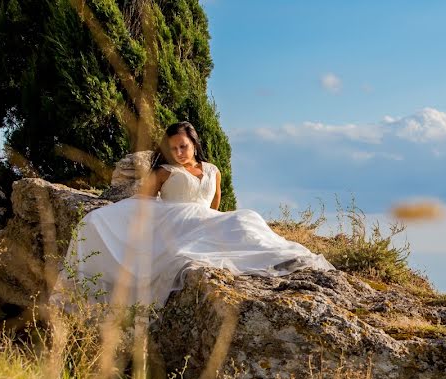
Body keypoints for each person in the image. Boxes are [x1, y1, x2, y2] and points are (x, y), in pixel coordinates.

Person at [57, 121, 334, 308]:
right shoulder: (164, 172)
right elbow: (141, 204)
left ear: (194, 143)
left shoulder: (213, 170)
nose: (178, 152)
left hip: (203, 221)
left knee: (245, 217)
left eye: (183, 146)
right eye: (173, 148)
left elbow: (214, 205)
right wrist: (103, 219)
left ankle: (280, 258)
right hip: (174, 222)